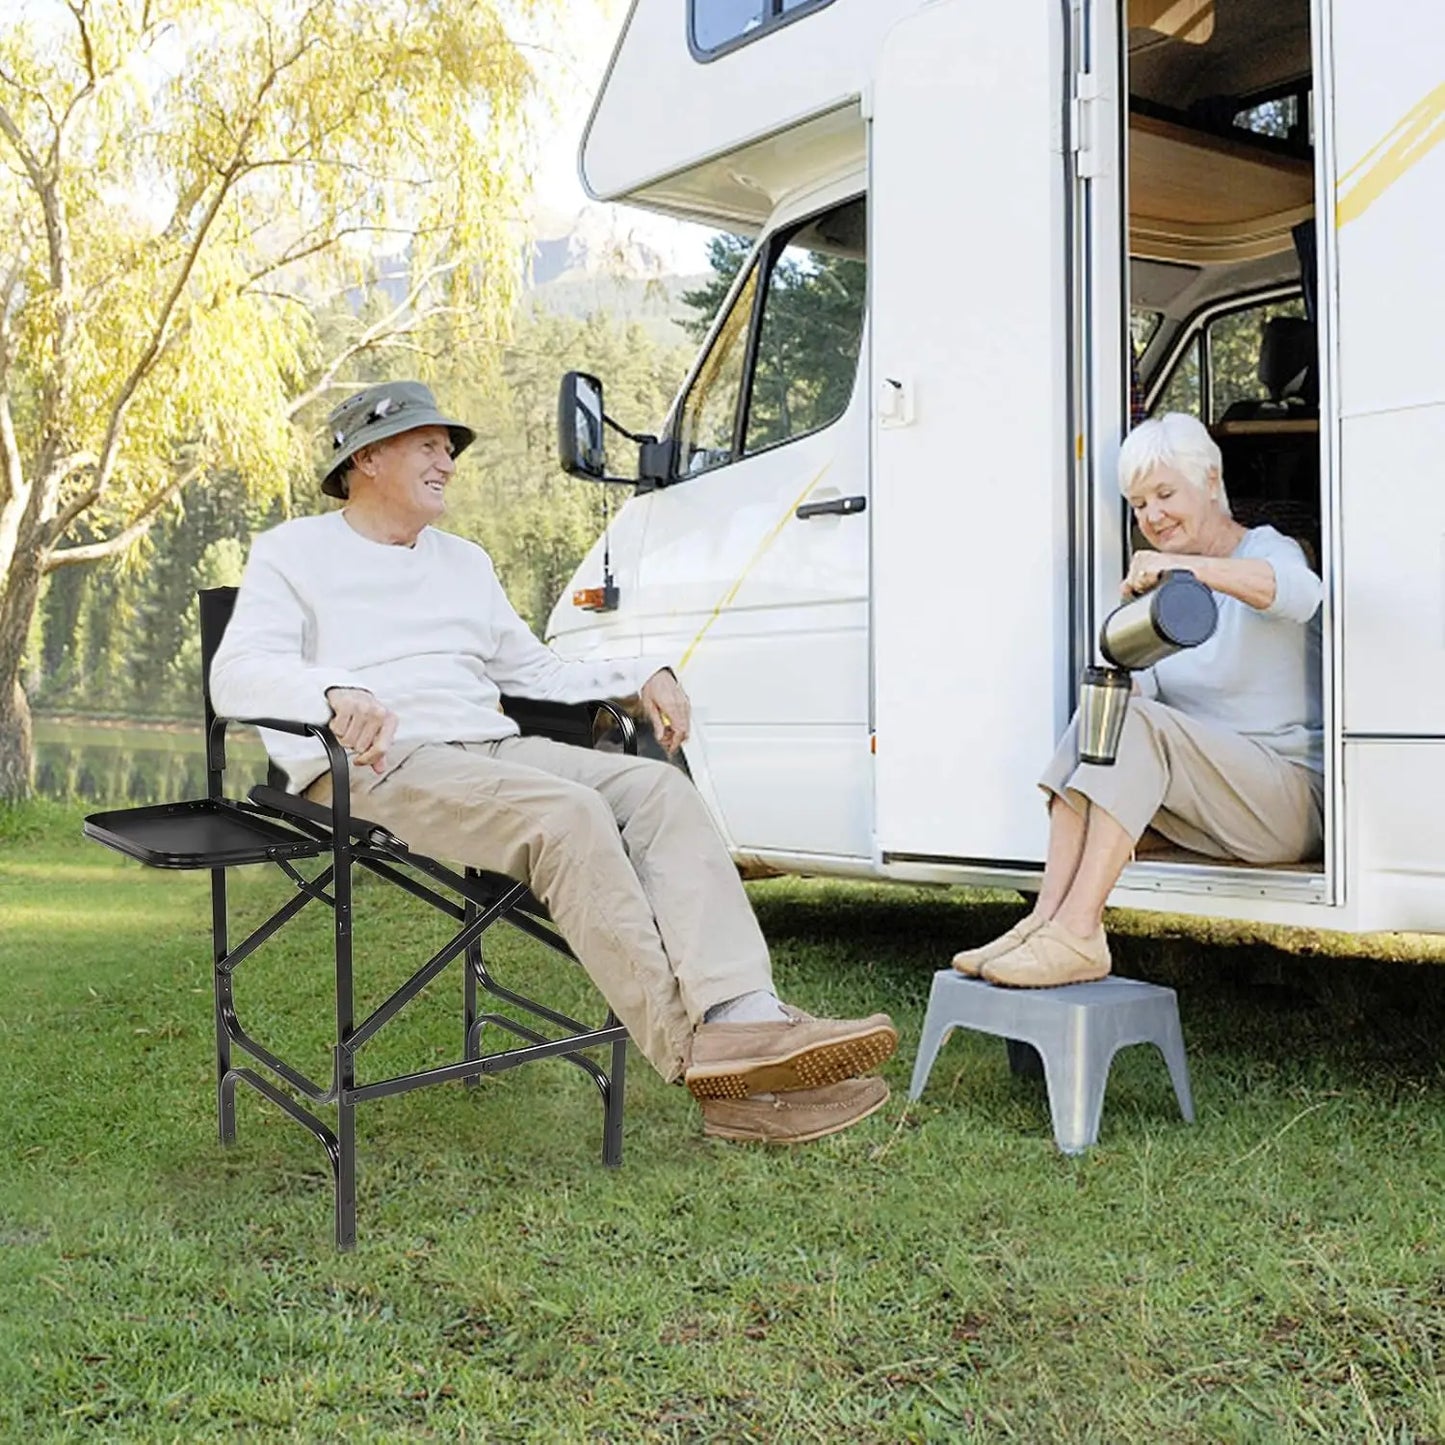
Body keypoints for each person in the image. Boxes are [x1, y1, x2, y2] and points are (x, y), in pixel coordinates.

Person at [211, 381, 897, 1142]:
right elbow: (234, 675)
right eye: (428, 444)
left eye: (449, 448)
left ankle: (743, 1015)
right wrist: (331, 690)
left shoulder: (463, 561)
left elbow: (536, 673)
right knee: (567, 815)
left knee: (656, 791)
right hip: (376, 767)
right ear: (366, 457)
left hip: (492, 751)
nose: (447, 460)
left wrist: (641, 672)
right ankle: (701, 1058)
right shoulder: (294, 553)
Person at [952, 411, 1323, 989]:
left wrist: (1186, 568)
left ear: (1210, 480)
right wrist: (1132, 633)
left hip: (1291, 800)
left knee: (1137, 723)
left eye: (1165, 494)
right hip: (1216, 799)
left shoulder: (1269, 550)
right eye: (1138, 504)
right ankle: (1043, 920)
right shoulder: (1169, 590)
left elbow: (1301, 596)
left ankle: (1079, 933)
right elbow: (1135, 703)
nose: (1152, 516)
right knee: (1103, 709)